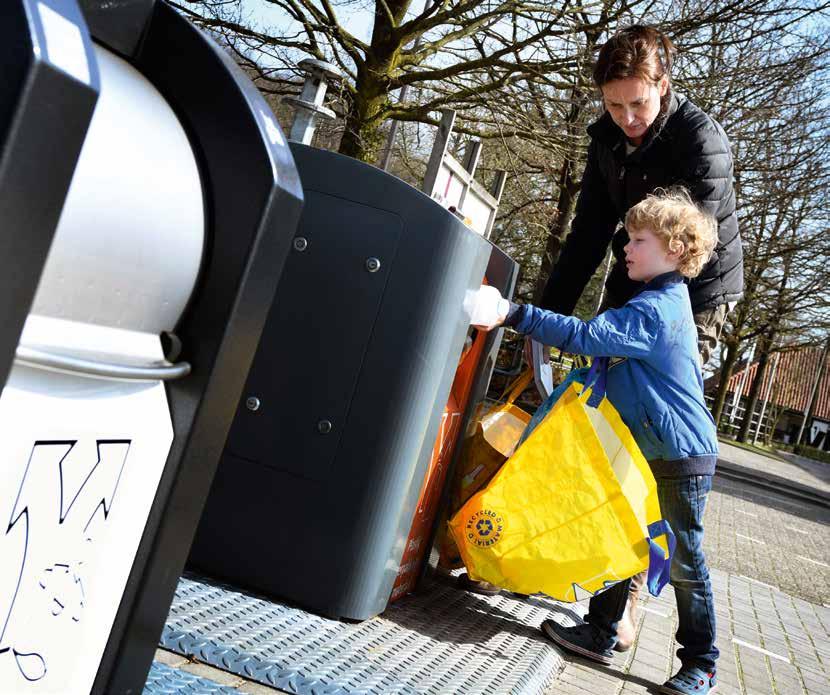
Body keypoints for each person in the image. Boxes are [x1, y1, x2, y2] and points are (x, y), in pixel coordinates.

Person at [535, 23, 742, 649]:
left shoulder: (700, 142)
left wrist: (630, 332)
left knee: (649, 442)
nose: (626, 116)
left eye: (639, 103)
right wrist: (547, 321)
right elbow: (588, 234)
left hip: (690, 299)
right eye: (614, 102)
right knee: (611, 440)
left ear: (664, 86)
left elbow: (689, 251)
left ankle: (617, 614)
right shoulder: (606, 141)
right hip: (635, 288)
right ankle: (608, 613)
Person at [471, 188, 720, 695]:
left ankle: (702, 661)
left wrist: (511, 313)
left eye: (638, 239)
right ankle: (602, 631)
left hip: (679, 455)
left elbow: (586, 336)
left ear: (674, 249)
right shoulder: (654, 301)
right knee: (620, 534)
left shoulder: (656, 310)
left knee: (684, 561)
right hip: (645, 447)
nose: (626, 247)